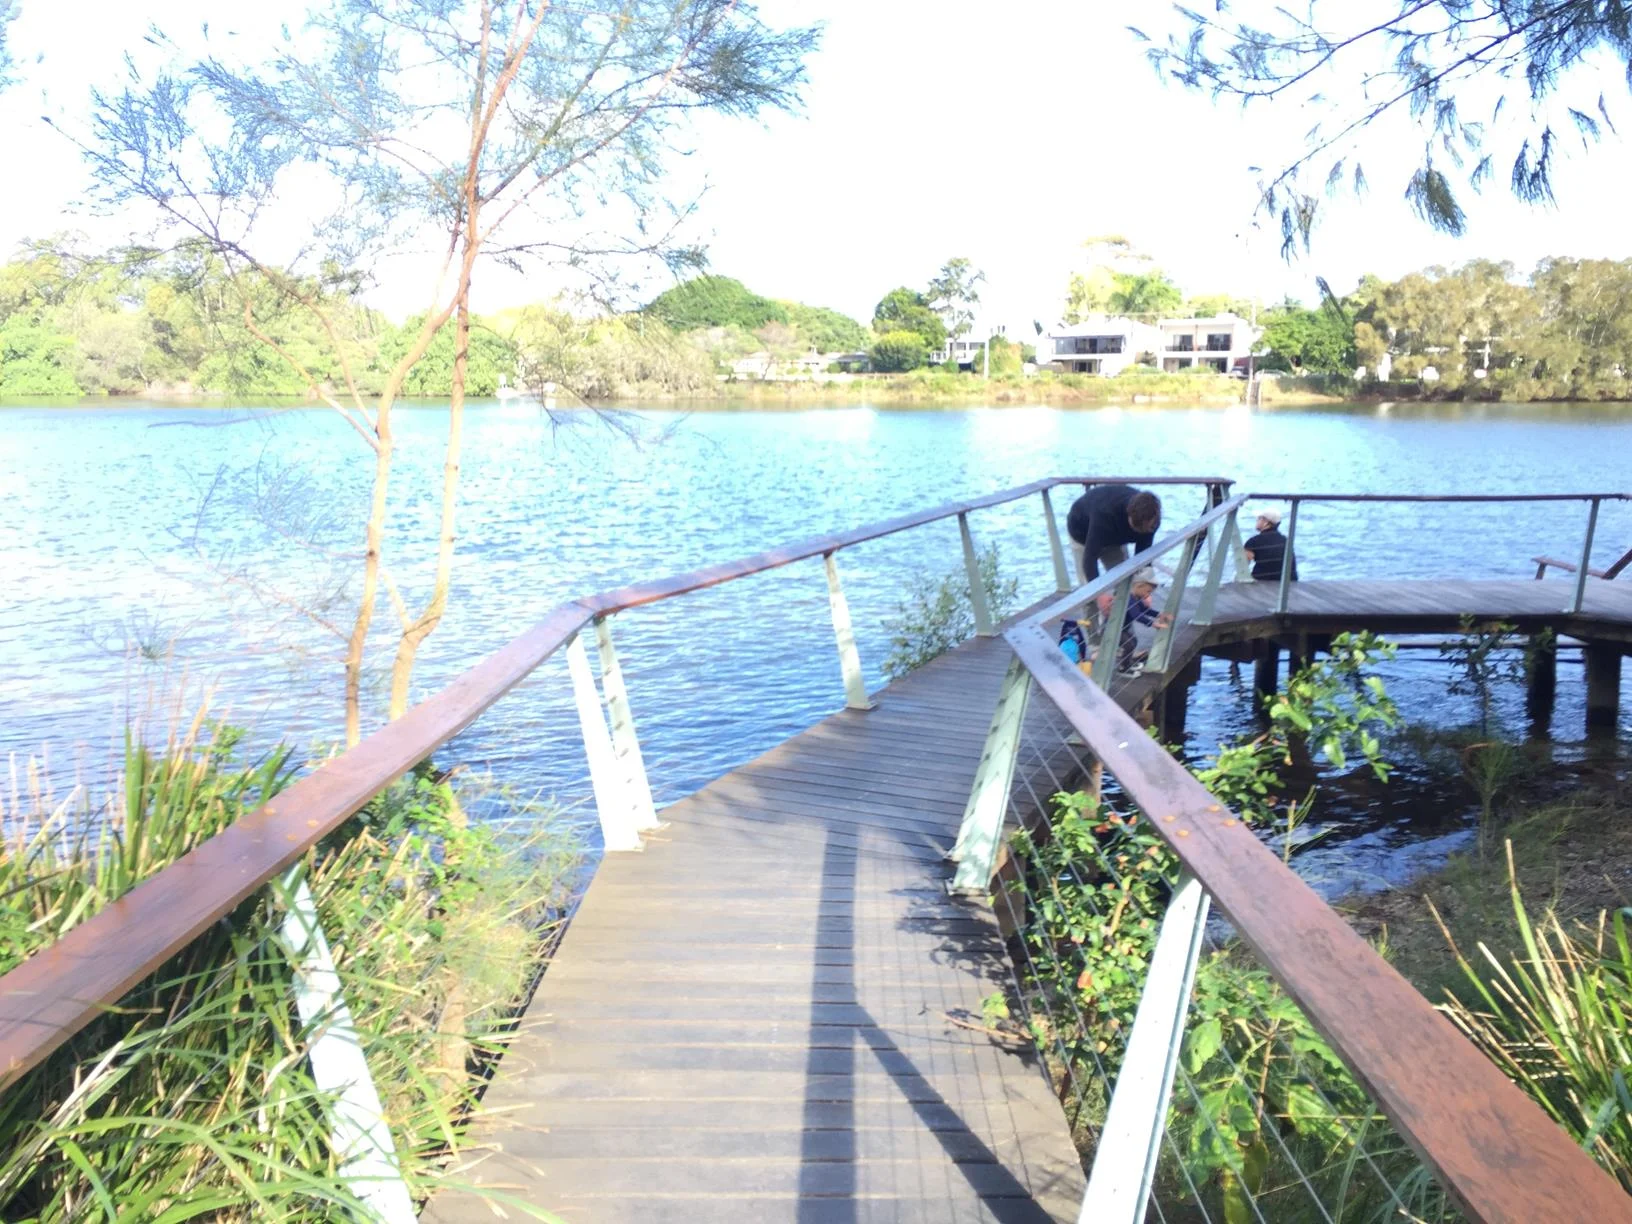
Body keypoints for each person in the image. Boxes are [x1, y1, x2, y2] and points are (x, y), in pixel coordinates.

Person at [1066, 485, 1163, 581]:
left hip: (1114, 538)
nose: (1141, 532)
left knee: (1124, 579)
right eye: (1136, 527)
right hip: (1081, 531)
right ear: (1128, 514)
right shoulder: (1105, 514)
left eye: (1145, 529)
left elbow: (1142, 556)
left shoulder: (1152, 522)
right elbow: (1089, 559)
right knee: (1087, 587)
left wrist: (1145, 583)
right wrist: (1099, 594)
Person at [1244, 507, 1298, 582]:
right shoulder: (1286, 541)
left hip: (1263, 582)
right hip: (1289, 583)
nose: (1257, 520)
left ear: (1266, 522)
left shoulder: (1254, 542)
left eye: (1259, 518)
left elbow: (1243, 566)